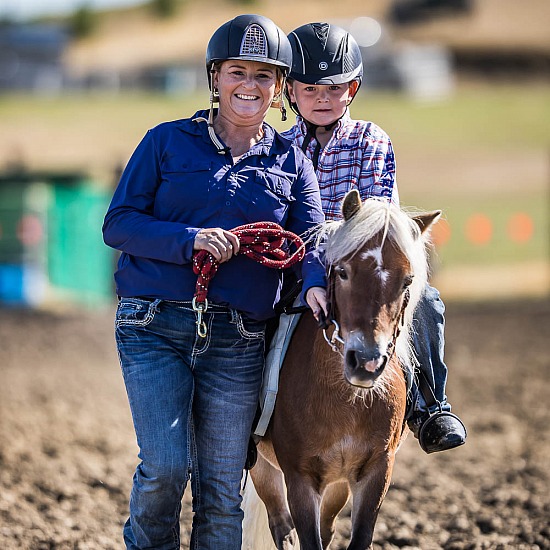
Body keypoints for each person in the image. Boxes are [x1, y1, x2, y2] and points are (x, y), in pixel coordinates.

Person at [102, 14, 326, 549]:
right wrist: (191, 239)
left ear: (278, 89)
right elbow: (120, 223)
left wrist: (315, 284)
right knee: (164, 470)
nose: (249, 86)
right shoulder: (165, 142)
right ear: (215, 77)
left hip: (239, 340)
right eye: (237, 72)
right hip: (154, 326)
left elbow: (310, 242)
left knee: (222, 488)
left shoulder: (291, 161)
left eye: (263, 76)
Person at [281, 22, 467, 454]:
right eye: (309, 89)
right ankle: (249, 421)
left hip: (364, 267)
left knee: (428, 303)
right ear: (290, 91)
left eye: (334, 88)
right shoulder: (279, 147)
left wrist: (328, 237)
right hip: (299, 265)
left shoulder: (371, 141)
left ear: (354, 88)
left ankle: (430, 407)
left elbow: (376, 221)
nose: (322, 98)